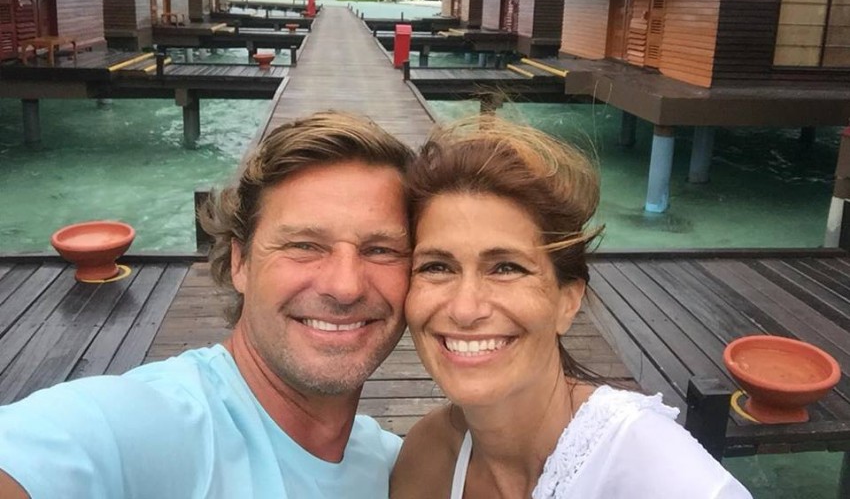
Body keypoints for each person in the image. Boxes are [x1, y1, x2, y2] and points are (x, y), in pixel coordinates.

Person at [0, 111, 414, 498]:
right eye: (304, 246)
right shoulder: (151, 427)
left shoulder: (392, 463)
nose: (345, 287)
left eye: (381, 250)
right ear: (240, 263)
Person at [391, 117, 751, 499]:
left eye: (506, 268)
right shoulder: (428, 457)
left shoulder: (659, 475)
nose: (465, 309)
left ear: (569, 300)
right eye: (437, 267)